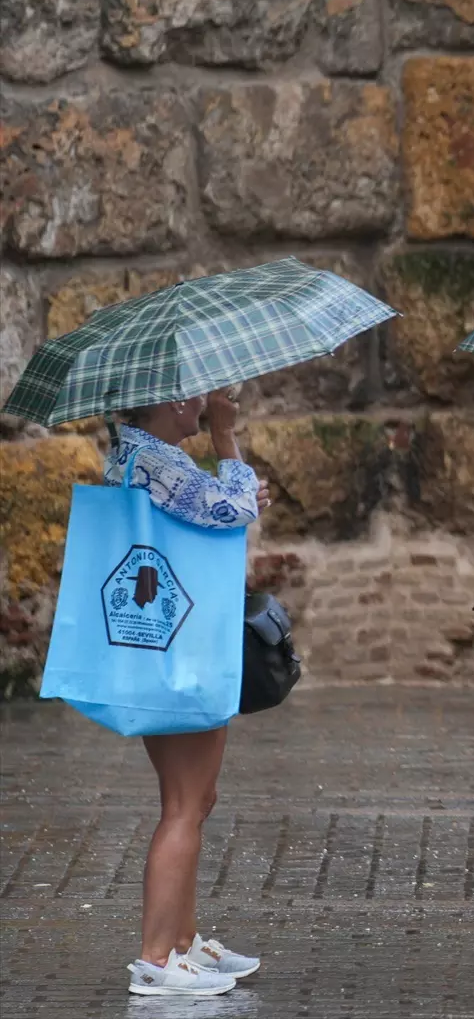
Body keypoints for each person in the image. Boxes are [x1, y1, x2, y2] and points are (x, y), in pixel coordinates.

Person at [112, 389, 271, 998]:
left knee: (194, 799)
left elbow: (218, 508)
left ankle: (181, 941)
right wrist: (227, 440)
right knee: (183, 805)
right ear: (167, 403)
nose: (204, 403)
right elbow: (228, 512)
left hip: (166, 644)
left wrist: (232, 495)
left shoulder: (134, 455)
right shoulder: (160, 462)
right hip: (182, 650)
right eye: (194, 395)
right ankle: (156, 959)